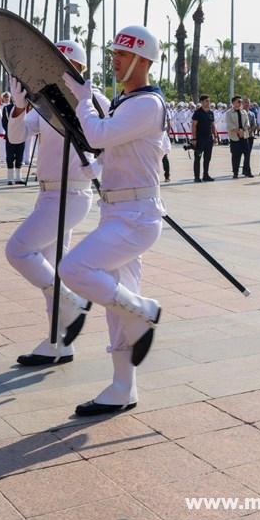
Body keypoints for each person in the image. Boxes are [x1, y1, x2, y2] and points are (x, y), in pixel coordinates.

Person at [57, 24, 168, 416]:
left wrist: (84, 101)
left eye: (122, 54)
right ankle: (123, 388)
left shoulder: (145, 104)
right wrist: (99, 167)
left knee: (73, 268)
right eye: (115, 53)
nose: (115, 60)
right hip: (120, 210)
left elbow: (98, 135)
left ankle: (144, 309)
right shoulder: (130, 102)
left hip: (135, 216)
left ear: (142, 60)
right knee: (115, 309)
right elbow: (127, 150)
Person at [6, 42, 104, 366]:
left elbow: (112, 142)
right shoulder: (46, 104)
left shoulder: (94, 100)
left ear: (78, 69)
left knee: (18, 250)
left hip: (73, 192)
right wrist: (18, 109)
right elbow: (17, 138)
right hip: (47, 193)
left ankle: (72, 302)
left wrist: (99, 166)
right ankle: (58, 341)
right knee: (51, 267)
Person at [2, 90, 27, 186]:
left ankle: (18, 178)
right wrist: (11, 132)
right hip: (10, 137)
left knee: (20, 157)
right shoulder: (7, 108)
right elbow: (4, 122)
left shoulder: (25, 108)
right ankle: (10, 178)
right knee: (10, 157)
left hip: (21, 135)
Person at [226, 96, 253, 178]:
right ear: (233, 103)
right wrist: (238, 130)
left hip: (244, 136)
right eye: (238, 101)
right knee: (235, 155)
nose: (240, 103)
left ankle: (247, 171)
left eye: (241, 101)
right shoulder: (229, 113)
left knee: (247, 154)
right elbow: (229, 124)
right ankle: (235, 172)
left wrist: (244, 129)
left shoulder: (244, 112)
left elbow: (247, 123)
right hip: (235, 137)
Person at [191, 95, 216, 182]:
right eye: (206, 101)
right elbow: (194, 125)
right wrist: (194, 139)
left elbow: (212, 125)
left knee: (207, 158)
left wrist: (215, 136)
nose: (208, 103)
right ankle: (196, 177)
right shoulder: (197, 113)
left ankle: (206, 175)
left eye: (209, 101)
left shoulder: (211, 113)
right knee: (198, 158)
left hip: (209, 139)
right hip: (200, 139)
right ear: (201, 102)